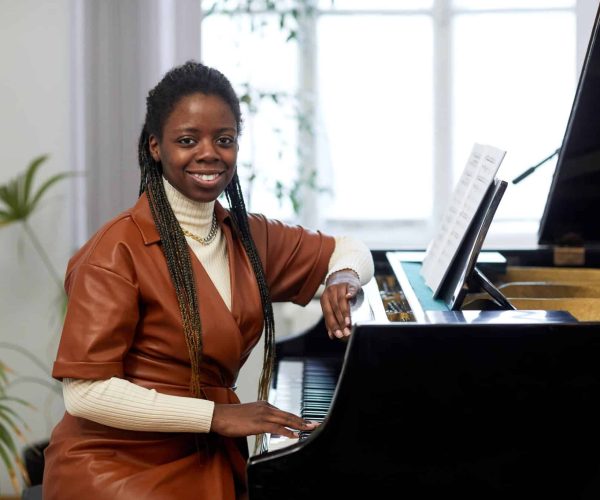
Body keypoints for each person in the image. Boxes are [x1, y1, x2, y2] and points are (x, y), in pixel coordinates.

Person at [42, 60, 374, 500]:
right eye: (187, 140)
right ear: (156, 147)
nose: (208, 154)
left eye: (224, 140)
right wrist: (216, 416)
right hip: (116, 464)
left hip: (205, 451)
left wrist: (343, 277)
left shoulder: (248, 237)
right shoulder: (116, 249)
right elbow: (85, 394)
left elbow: (351, 249)